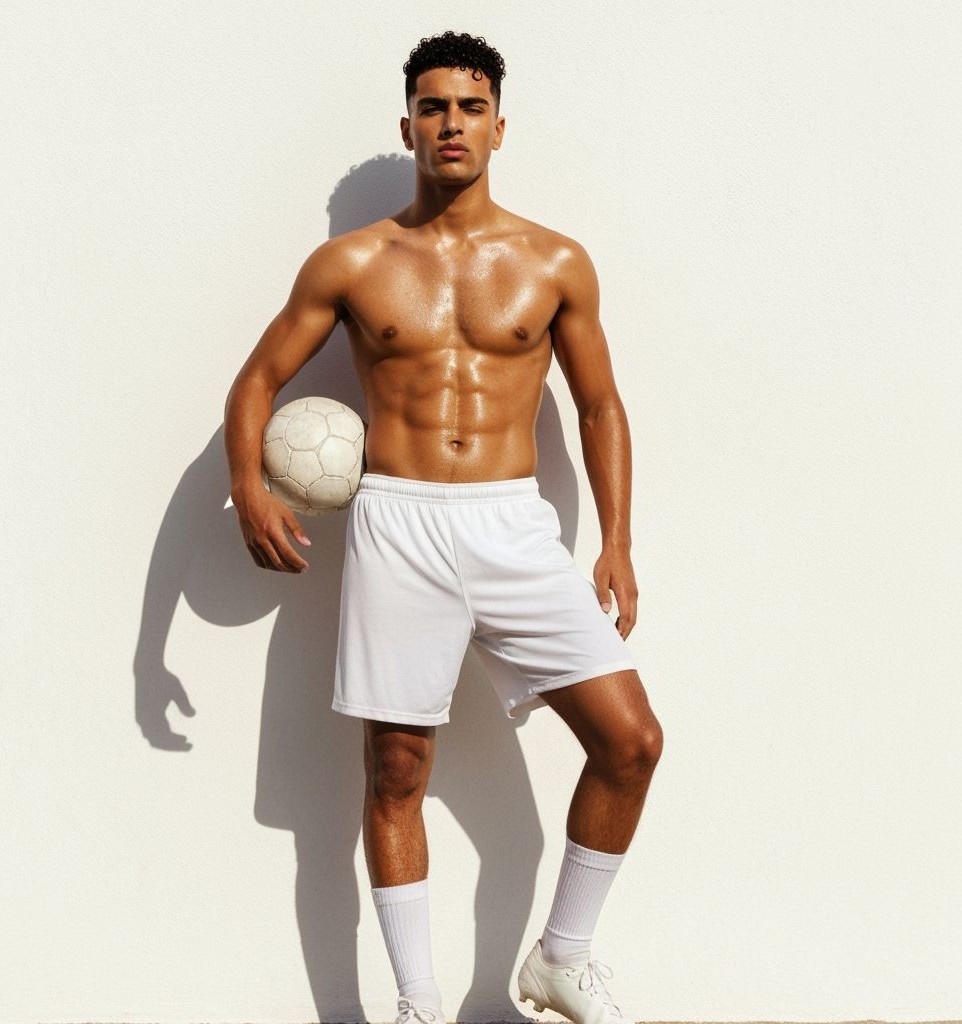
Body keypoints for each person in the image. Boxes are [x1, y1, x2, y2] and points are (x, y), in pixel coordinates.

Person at [223, 29, 663, 1024]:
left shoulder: (553, 260)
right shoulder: (352, 261)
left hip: (512, 526)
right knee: (397, 771)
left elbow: (600, 406)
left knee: (630, 740)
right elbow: (255, 378)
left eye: (468, 107)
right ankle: (418, 1003)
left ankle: (560, 955)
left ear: (498, 126)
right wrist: (249, 484)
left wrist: (617, 541)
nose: (450, 123)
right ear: (408, 124)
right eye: (432, 107)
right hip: (398, 522)